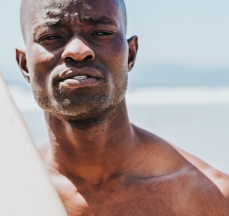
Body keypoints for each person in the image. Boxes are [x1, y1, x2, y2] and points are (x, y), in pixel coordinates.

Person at [16, 0, 229, 215]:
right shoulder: (0, 194)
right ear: (25, 66)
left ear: (131, 54)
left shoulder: (212, 198)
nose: (78, 51)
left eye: (100, 33)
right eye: (51, 37)